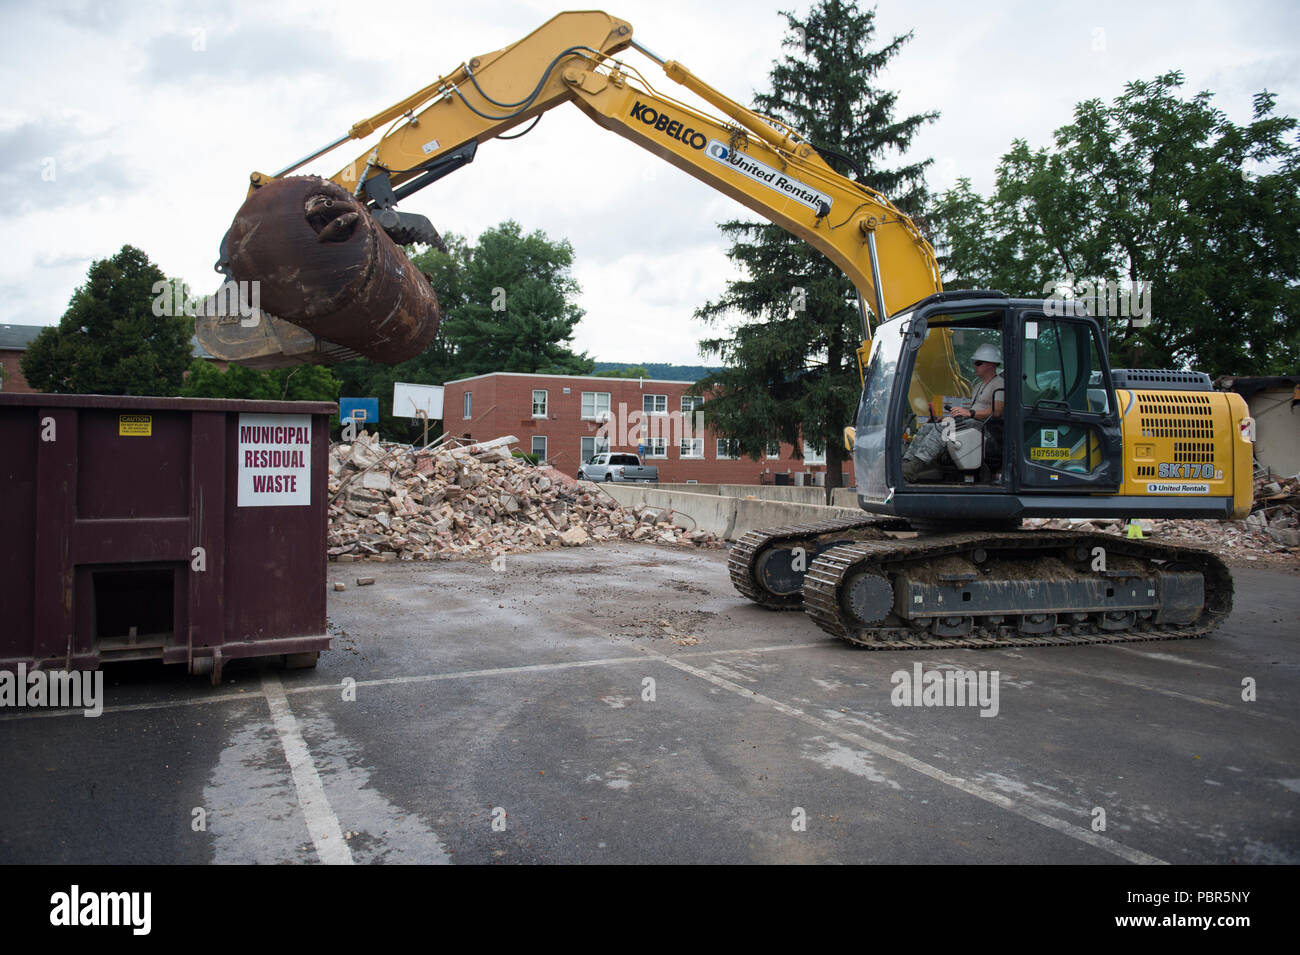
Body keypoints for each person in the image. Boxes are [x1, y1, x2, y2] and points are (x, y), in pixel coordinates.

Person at [951, 343, 1004, 422]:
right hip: (971, 423)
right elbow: (970, 409)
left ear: (991, 364)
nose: (974, 366)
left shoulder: (1000, 383)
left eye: (978, 363)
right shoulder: (978, 386)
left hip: (984, 428)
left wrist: (970, 413)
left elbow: (997, 411)